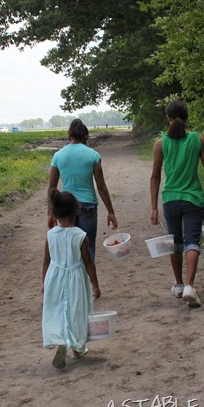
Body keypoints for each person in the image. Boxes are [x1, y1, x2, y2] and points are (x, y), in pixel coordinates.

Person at [150, 100, 204, 308]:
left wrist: (154, 207)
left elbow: (155, 177)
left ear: (168, 118)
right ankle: (190, 286)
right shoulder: (198, 139)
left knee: (175, 242)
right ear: (187, 116)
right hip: (193, 199)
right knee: (192, 241)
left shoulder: (161, 143)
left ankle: (179, 285)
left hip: (170, 200)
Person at [42, 189, 101, 369]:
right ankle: (76, 347)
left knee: (59, 309)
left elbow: (46, 260)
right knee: (76, 310)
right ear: (76, 211)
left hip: (55, 277)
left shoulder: (51, 235)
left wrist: (44, 282)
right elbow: (88, 262)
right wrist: (95, 285)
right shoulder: (80, 236)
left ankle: (61, 340)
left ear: (56, 213)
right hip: (75, 277)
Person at [47, 119, 118, 261]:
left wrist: (51, 213)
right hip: (88, 206)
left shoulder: (58, 155)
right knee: (88, 246)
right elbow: (101, 186)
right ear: (86, 137)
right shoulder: (93, 155)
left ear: (69, 136)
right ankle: (88, 281)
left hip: (66, 207)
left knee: (70, 247)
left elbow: (52, 187)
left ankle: (74, 281)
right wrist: (110, 211)